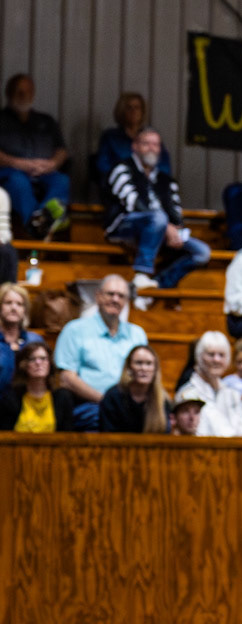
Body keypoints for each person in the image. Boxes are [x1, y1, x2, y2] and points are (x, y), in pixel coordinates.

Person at [103, 126, 210, 300]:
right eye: (146, 143)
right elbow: (132, 203)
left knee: (202, 252)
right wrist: (165, 226)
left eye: (155, 144)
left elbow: (175, 210)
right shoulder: (122, 169)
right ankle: (141, 273)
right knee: (158, 218)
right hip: (125, 225)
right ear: (135, 146)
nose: (151, 148)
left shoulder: (166, 180)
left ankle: (157, 287)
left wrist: (176, 229)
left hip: (160, 229)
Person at [53, 274, 146, 428]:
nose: (115, 299)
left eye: (121, 296)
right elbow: (67, 378)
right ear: (98, 296)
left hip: (131, 406)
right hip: (91, 406)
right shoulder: (75, 330)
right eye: (110, 294)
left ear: (126, 302)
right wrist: (107, 402)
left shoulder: (137, 334)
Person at [0, 73, 70, 235]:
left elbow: (61, 149)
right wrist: (18, 163)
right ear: (9, 93)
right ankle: (35, 225)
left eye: (28, 92)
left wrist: (53, 163)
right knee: (19, 182)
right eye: (19, 92)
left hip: (44, 171)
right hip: (11, 171)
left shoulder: (46, 120)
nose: (24, 96)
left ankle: (41, 220)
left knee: (61, 180)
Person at [174, 331, 242, 437]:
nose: (216, 360)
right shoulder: (187, 393)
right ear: (199, 357)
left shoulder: (232, 394)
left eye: (221, 355)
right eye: (211, 354)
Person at [0, 340, 76, 432]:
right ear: (23, 365)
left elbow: (67, 435)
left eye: (43, 358)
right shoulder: (11, 398)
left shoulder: (62, 397)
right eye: (32, 359)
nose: (38, 362)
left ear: (50, 363)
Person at [95, 93, 171, 185]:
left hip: (151, 184)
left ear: (142, 111)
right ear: (122, 111)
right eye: (129, 108)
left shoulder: (151, 137)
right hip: (121, 183)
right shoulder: (111, 137)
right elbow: (103, 166)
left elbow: (165, 166)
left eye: (137, 107)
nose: (133, 111)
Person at [98, 344, 170, 434]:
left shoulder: (162, 399)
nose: (144, 368)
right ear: (129, 367)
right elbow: (107, 433)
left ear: (155, 369)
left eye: (149, 363)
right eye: (138, 363)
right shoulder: (113, 396)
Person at [0, 283, 42, 394]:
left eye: (19, 304)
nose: (14, 308)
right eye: (8, 303)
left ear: (24, 310)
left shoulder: (35, 341)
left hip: (27, 401)